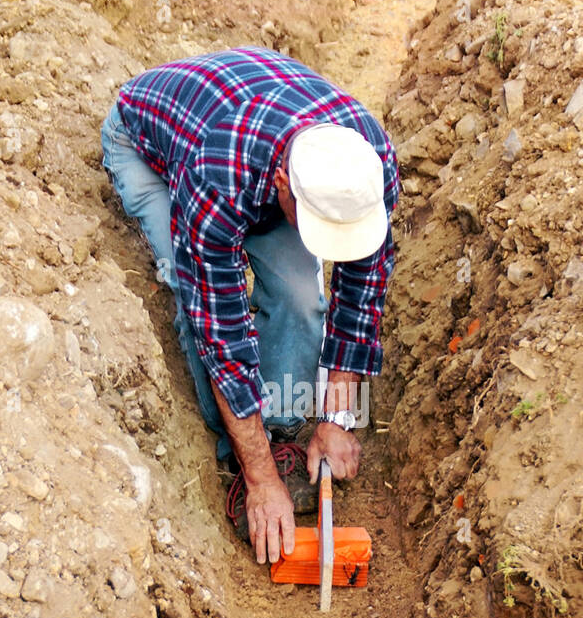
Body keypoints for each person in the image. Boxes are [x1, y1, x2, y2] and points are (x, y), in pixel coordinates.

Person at [101, 46, 398, 564]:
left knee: (303, 294)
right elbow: (221, 327)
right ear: (284, 185)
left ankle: (281, 423)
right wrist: (260, 476)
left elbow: (361, 288)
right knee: (184, 278)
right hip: (152, 142)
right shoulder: (217, 173)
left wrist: (336, 417)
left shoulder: (368, 166)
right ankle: (239, 452)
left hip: (255, 122)